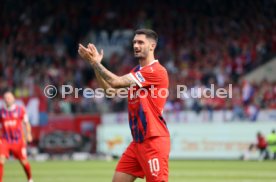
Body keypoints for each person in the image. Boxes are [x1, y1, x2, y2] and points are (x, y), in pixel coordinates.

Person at [78, 29, 170, 182]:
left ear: (152, 46)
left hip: (153, 140)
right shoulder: (136, 71)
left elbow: (115, 81)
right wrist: (95, 66)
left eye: (141, 42)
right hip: (138, 142)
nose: (136, 45)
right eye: (134, 42)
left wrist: (96, 62)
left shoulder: (156, 71)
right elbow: (110, 91)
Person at [0, 91, 33, 182]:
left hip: (18, 140)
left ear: (13, 99)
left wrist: (28, 134)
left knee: (23, 162)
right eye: (6, 98)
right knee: (1, 160)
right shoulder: (1, 112)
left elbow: (26, 123)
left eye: (9, 98)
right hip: (5, 140)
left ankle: (30, 179)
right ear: (4, 100)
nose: (8, 99)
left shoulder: (20, 110)